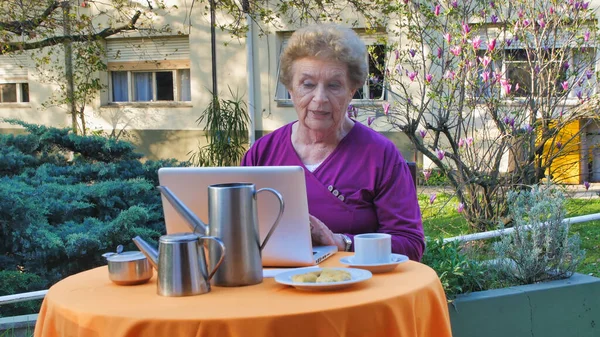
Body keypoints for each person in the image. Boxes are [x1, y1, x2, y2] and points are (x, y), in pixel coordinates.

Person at [241, 24, 425, 261]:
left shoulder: (380, 155)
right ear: (290, 89)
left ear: (352, 90)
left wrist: (342, 242)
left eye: (334, 85)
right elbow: (238, 231)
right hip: (276, 287)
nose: (320, 98)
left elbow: (410, 244)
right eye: (307, 84)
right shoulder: (262, 153)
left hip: (358, 289)